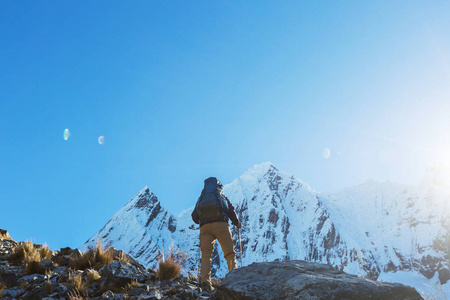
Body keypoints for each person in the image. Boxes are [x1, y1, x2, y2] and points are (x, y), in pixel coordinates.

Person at [191, 177, 241, 293]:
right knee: (229, 253)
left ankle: (205, 284)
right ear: (219, 187)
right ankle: (233, 279)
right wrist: (237, 223)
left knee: (206, 256)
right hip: (221, 225)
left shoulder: (201, 199)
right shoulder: (221, 196)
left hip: (205, 228)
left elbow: (194, 216)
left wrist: (203, 222)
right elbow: (231, 211)